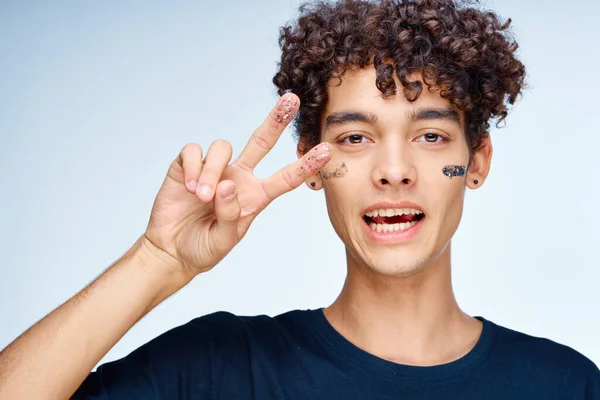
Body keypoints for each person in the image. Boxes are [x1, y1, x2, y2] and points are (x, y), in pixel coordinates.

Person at [1, 0, 598, 398]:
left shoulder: (566, 385)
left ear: (476, 162)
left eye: (431, 135)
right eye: (355, 138)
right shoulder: (219, 370)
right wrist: (159, 260)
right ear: (313, 165)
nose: (393, 171)